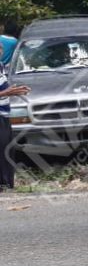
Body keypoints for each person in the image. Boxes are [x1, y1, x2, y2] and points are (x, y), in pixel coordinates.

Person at [0, 61, 31, 192]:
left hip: (4, 115)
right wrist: (6, 92)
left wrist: (13, 91)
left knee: (7, 150)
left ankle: (7, 186)